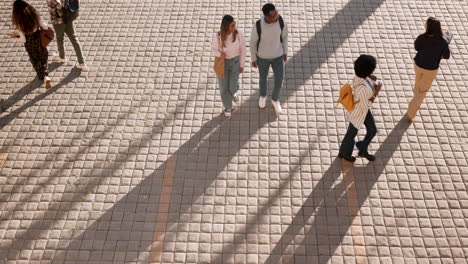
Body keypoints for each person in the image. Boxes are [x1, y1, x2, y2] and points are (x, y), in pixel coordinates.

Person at [338, 55, 382, 162]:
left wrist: (374, 85)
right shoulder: (363, 89)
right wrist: (376, 92)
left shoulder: (360, 77)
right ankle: (344, 153)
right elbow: (366, 104)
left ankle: (362, 147)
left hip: (363, 111)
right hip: (358, 113)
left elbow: (369, 81)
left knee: (372, 130)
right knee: (351, 134)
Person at [406, 17, 451, 122]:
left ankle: (414, 100)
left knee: (418, 85)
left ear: (428, 26)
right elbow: (447, 56)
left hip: (418, 65)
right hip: (431, 70)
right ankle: (410, 113)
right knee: (422, 92)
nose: (425, 24)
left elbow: (417, 48)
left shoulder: (421, 37)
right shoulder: (443, 41)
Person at [250, 3, 288, 114]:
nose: (277, 16)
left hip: (278, 56)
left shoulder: (281, 22)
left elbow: (285, 37)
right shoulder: (258, 25)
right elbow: (253, 43)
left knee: (279, 79)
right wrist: (253, 58)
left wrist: (285, 52)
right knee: (263, 78)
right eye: (274, 15)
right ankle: (262, 96)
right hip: (262, 58)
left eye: (277, 13)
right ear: (266, 16)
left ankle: (275, 100)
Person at [8, 0, 52, 88]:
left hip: (29, 42)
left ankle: (44, 77)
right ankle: (46, 75)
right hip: (38, 38)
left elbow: (23, 39)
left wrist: (15, 37)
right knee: (43, 55)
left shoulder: (19, 22)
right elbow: (44, 26)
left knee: (35, 59)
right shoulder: (34, 14)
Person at [211, 15, 246, 117]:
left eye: (234, 24)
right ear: (226, 26)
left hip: (235, 62)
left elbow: (243, 50)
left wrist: (242, 64)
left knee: (232, 85)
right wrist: (219, 54)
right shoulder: (218, 36)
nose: (234, 27)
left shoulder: (239, 35)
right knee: (223, 87)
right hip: (223, 64)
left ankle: (233, 92)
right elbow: (213, 49)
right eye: (232, 25)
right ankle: (228, 106)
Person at [47, 0, 88, 71]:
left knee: (60, 38)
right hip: (68, 17)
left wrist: (58, 6)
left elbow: (59, 5)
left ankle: (62, 57)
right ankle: (82, 63)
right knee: (73, 38)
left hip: (58, 20)